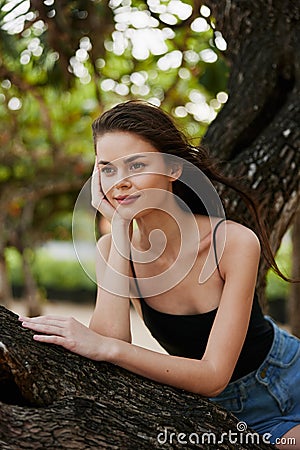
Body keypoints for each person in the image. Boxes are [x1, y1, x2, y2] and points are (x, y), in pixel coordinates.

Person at [19, 100, 300, 449]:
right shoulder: (113, 251)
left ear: (174, 169)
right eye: (107, 169)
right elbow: (111, 343)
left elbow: (213, 375)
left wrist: (104, 346)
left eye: (135, 165)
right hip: (215, 413)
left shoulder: (232, 243)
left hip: (288, 378)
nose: (120, 183)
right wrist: (119, 231)